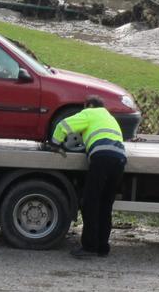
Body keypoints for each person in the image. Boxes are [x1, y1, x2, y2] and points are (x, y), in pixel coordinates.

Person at [50, 95, 127, 259]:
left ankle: (89, 247)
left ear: (89, 105)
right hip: (119, 159)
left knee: (90, 203)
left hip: (102, 157)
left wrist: (55, 144)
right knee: (105, 205)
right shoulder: (109, 117)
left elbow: (63, 125)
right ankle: (102, 248)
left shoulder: (90, 113)